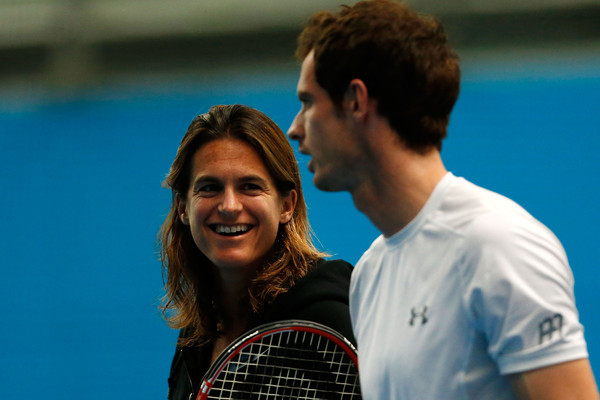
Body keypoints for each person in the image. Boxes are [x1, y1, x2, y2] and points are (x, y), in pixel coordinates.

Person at [287, 0, 599, 399]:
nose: (295, 129)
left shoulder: (500, 244)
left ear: (356, 101)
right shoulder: (368, 275)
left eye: (309, 102)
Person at [159, 104, 355, 400]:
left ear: (287, 205)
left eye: (250, 186)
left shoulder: (329, 317)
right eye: (209, 187)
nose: (229, 206)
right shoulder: (197, 334)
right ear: (183, 207)